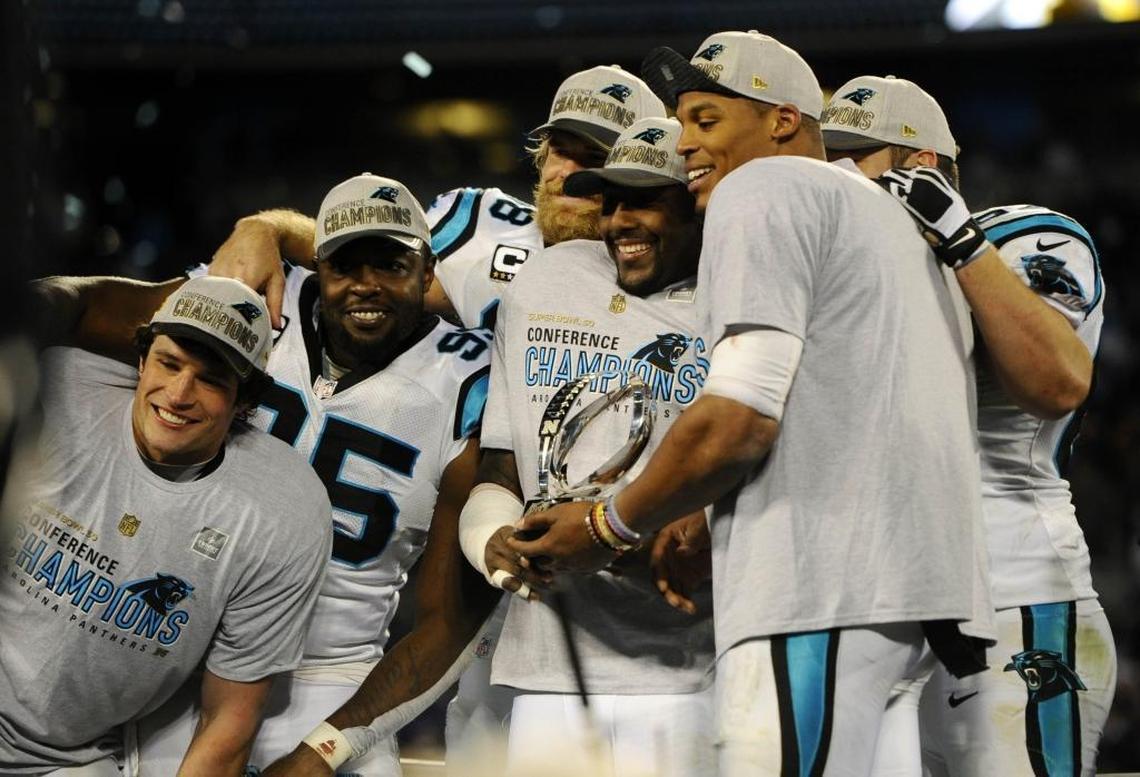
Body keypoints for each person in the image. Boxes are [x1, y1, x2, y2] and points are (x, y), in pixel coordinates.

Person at [510, 30, 994, 777]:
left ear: (784, 121)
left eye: (706, 121)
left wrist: (608, 523)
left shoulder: (763, 188)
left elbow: (741, 414)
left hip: (818, 590)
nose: (686, 146)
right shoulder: (894, 224)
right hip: (907, 593)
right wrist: (707, 515)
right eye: (681, 125)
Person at [35, 174, 498, 776]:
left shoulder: (471, 385)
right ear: (318, 263)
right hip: (183, 651)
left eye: (390, 264)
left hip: (333, 675)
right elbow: (83, 307)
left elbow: (452, 617)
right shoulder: (250, 299)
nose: (367, 285)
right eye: (346, 264)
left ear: (428, 269)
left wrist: (326, 750)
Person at [822, 74, 1115, 777]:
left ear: (919, 170)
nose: (829, 178)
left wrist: (957, 239)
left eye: (850, 157)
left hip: (1015, 595)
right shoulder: (833, 268)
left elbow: (1058, 381)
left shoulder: (1023, 239)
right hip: (880, 615)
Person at [456, 114, 716, 777]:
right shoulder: (544, 280)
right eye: (613, 200)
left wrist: (615, 538)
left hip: (687, 670)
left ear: (696, 201)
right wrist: (491, 537)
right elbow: (503, 459)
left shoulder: (737, 296)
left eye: (647, 200)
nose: (622, 220)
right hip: (548, 664)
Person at [0, 276, 331, 775]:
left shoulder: (285, 510)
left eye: (211, 379)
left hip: (67, 761)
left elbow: (229, 719)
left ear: (244, 401)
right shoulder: (53, 390)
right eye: (169, 363)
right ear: (140, 360)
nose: (178, 394)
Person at [207, 65, 666, 334]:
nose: (568, 173)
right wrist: (269, 228)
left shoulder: (669, 267)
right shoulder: (478, 217)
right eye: (562, 151)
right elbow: (365, 253)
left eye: (594, 158)